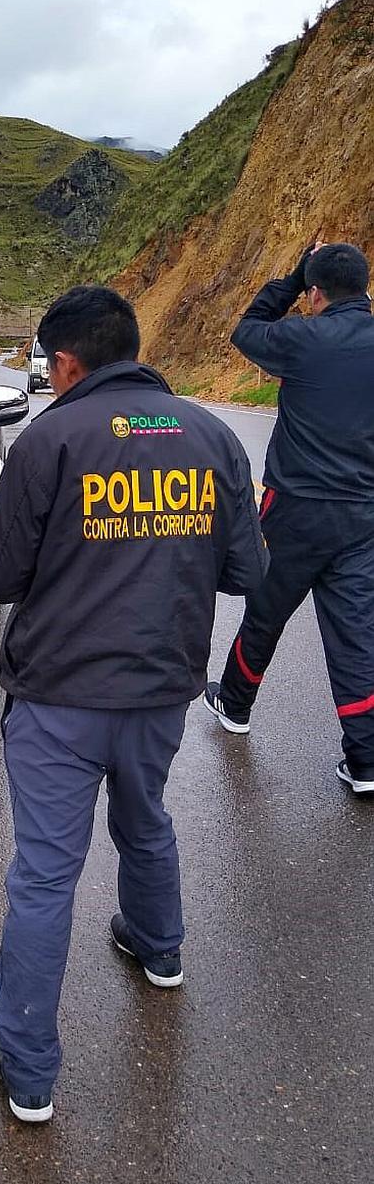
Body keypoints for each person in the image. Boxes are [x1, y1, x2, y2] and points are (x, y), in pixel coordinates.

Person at [0, 285, 265, 1124]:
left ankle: (30, 1072)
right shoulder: (210, 436)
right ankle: (159, 945)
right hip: (160, 691)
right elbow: (245, 570)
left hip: (58, 697)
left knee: (44, 875)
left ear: (66, 363)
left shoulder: (49, 439)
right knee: (145, 820)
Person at [204, 244, 374, 796]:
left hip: (296, 505)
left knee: (267, 609)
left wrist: (293, 278)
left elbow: (247, 329)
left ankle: (234, 704)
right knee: (356, 632)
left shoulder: (302, 338)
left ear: (317, 293)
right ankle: (366, 760)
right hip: (364, 514)